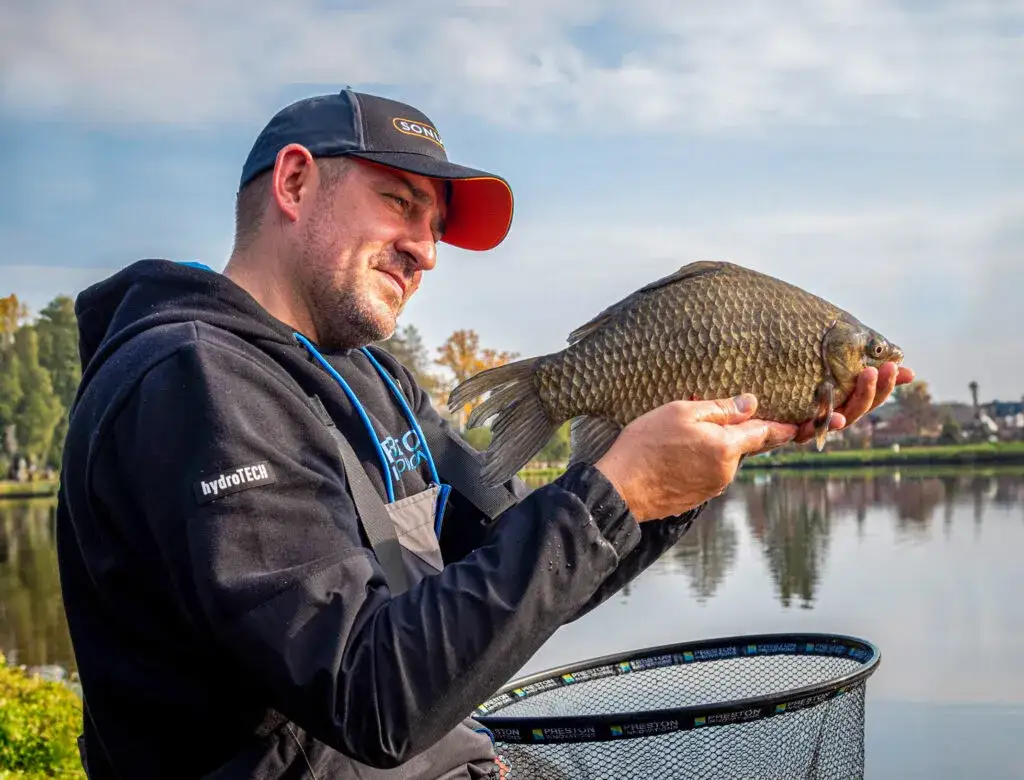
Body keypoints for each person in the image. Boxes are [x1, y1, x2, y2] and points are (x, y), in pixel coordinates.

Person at [55, 88, 911, 779]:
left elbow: (517, 569)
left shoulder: (373, 378)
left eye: (436, 230)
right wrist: (615, 490)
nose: (427, 250)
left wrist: (677, 480)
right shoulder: (194, 384)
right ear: (293, 183)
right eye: (401, 204)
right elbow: (371, 696)